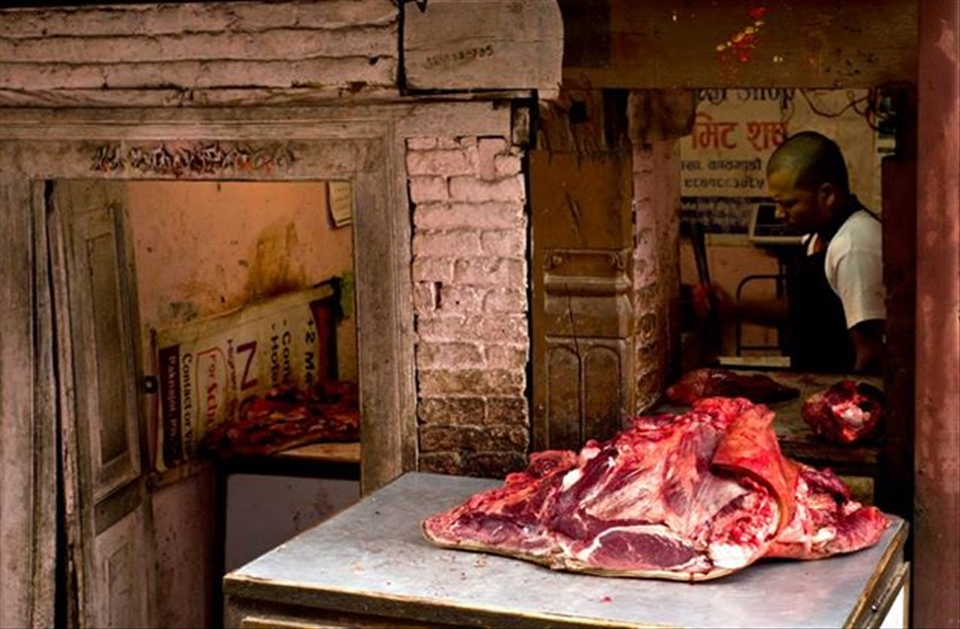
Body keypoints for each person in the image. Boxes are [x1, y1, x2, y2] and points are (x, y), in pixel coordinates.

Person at [697, 130, 886, 375]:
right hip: (815, 386)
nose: (778, 213)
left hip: (841, 399)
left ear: (827, 195)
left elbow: (870, 355)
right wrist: (734, 308)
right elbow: (805, 311)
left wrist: (843, 408)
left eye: (788, 204)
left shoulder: (853, 245)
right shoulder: (817, 235)